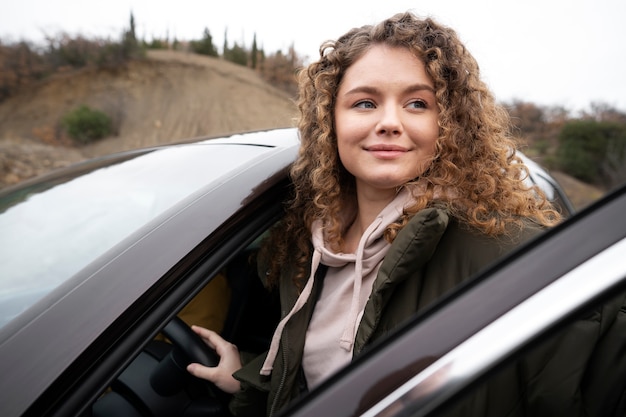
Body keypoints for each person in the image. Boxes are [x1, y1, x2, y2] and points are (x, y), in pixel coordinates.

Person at [187, 12, 625, 417]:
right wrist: (247, 378)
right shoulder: (307, 248)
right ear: (330, 121)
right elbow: (319, 383)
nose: (389, 122)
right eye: (364, 103)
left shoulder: (516, 253)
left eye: (418, 103)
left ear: (448, 123)